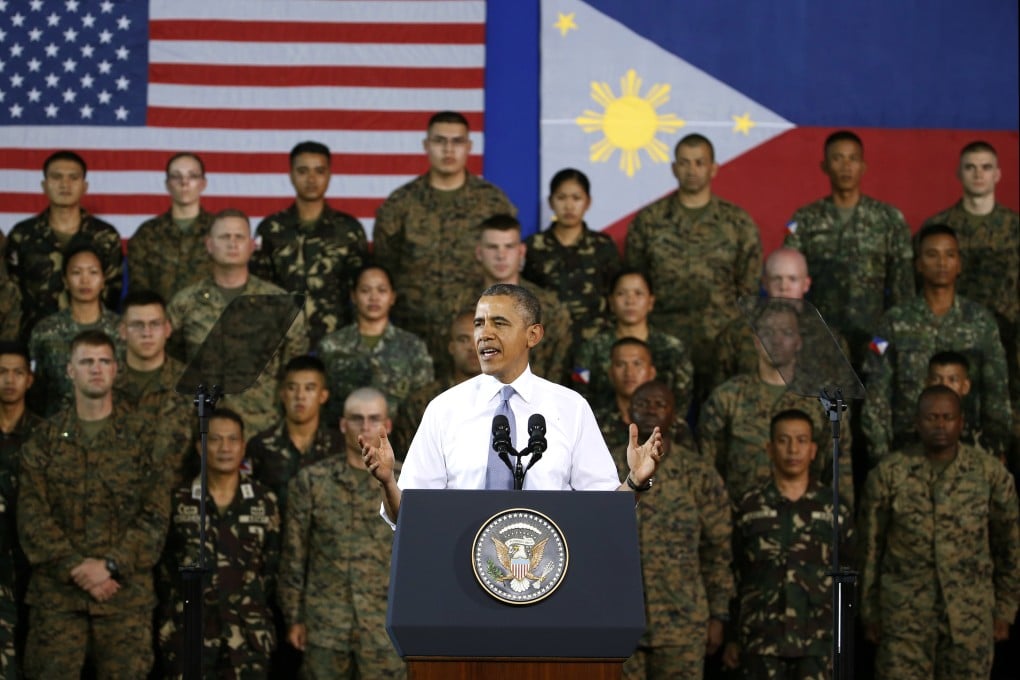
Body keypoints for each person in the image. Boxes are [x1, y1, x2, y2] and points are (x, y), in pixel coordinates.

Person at [363, 283, 664, 526]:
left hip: (547, 578)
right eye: (479, 324)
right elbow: (409, 516)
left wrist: (635, 482)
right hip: (460, 577)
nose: (484, 334)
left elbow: (604, 511)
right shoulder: (444, 409)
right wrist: (388, 481)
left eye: (500, 323)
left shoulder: (571, 408)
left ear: (533, 335)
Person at [17, 330, 170, 678]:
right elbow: (31, 516)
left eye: (104, 361)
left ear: (116, 370)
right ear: (70, 370)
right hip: (57, 601)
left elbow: (155, 517)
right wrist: (76, 567)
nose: (96, 369)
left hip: (124, 601)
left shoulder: (144, 439)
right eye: (87, 362)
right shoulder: (43, 439)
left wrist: (112, 565)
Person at [860, 385, 1019, 680]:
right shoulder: (889, 474)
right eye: (932, 418)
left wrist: (1005, 610)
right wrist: (869, 612)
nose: (940, 425)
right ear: (917, 423)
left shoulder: (989, 474)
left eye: (948, 417)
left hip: (968, 618)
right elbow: (870, 547)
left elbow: (1009, 545)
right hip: (904, 620)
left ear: (961, 422)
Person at [280, 388, 405, 679]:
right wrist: (294, 618)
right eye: (356, 418)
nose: (365, 426)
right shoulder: (312, 481)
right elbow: (294, 556)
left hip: (384, 625)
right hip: (326, 624)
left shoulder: (407, 480)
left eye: (374, 419)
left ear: (387, 425)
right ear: (342, 424)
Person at [374, 110, 517, 363]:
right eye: (440, 141)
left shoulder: (493, 203)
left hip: (475, 338)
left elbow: (507, 268)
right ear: (426, 146)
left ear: (469, 147)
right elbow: (384, 268)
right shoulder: (400, 204)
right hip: (413, 339)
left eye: (457, 141)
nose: (448, 150)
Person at [613, 380, 732, 680]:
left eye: (660, 404)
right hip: (618, 623)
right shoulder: (606, 465)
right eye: (643, 404)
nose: (651, 410)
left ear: (674, 414)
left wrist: (718, 614)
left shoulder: (699, 473)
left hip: (683, 624)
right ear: (629, 411)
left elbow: (717, 549)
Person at [625, 133, 762, 394]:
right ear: (674, 168)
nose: (692, 170)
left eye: (700, 163)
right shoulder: (649, 221)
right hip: (664, 342)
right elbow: (637, 283)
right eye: (685, 162)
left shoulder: (738, 223)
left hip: (721, 341)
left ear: (713, 168)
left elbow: (749, 289)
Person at [722, 409, 855, 678]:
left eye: (801, 440)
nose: (793, 449)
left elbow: (850, 576)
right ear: (770, 448)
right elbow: (733, 573)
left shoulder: (834, 507)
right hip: (761, 641)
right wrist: (732, 636)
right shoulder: (749, 506)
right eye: (783, 440)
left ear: (814, 449)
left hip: (818, 643)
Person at [862, 224, 1010, 465]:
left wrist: (995, 450)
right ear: (919, 264)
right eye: (932, 255)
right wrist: (883, 459)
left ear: (959, 264)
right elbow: (876, 397)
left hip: (969, 455)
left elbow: (997, 394)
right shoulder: (893, 322)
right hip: (906, 454)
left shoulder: (981, 322)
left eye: (949, 255)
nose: (942, 262)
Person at [158, 407, 281, 679]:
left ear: (243, 446)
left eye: (232, 439)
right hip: (189, 634)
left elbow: (272, 567)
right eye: (214, 439)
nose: (224, 447)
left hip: (247, 636)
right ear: (200, 447)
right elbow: (163, 565)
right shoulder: (178, 500)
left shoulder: (264, 501)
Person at [923, 140, 1020, 477]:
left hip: (1008, 351)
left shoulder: (1015, 228)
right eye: (971, 167)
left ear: (998, 175)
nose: (978, 174)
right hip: (952, 343)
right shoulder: (940, 227)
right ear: (958, 173)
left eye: (986, 167)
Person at [167, 209, 309, 436]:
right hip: (200, 430)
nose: (232, 244)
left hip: (262, 430)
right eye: (224, 237)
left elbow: (293, 370)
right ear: (209, 244)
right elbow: (172, 363)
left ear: (252, 245)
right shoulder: (184, 303)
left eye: (239, 237)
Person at [699, 302, 854, 507]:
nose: (776, 341)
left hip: (809, 523)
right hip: (743, 520)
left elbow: (839, 470)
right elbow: (708, 471)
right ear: (755, 341)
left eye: (786, 333)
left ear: (798, 342)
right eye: (768, 332)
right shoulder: (727, 398)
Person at [784, 130, 913, 368]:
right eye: (837, 158)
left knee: (872, 403)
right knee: (832, 405)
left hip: (875, 339)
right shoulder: (805, 220)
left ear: (863, 167)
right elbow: (790, 283)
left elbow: (902, 286)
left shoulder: (888, 219)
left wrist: (900, 335)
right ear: (824, 166)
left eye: (852, 159)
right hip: (823, 340)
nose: (845, 166)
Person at [251, 141, 368, 347]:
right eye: (303, 171)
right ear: (291, 174)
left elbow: (361, 292)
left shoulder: (349, 230)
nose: (311, 179)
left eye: (319, 171)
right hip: (283, 344)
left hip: (338, 344)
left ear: (329, 174)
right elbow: (258, 292)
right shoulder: (270, 229)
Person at [4, 150, 122, 340]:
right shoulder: (22, 234)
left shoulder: (105, 236)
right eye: (56, 177)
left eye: (73, 178)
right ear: (44, 185)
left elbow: (112, 293)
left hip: (92, 343)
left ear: (84, 186)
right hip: (36, 342)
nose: (64, 185)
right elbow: (12, 295)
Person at [448, 214, 573, 383]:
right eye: (493, 247)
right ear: (479, 252)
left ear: (521, 251)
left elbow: (558, 368)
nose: (501, 255)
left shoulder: (549, 307)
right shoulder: (456, 304)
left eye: (509, 246)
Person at [712, 247, 852, 390]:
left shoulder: (828, 338)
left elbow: (840, 402)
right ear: (764, 284)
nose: (784, 287)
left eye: (792, 279)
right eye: (776, 279)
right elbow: (717, 393)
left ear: (806, 285)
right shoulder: (737, 334)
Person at [316, 264, 434, 427]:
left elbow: (424, 401)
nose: (373, 297)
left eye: (382, 290)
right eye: (365, 291)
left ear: (392, 297)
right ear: (353, 296)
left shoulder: (412, 347)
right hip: (343, 441)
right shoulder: (331, 346)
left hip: (400, 443)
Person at [523, 168, 621, 348]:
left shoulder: (603, 246)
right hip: (547, 344)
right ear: (551, 202)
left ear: (588, 202)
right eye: (561, 198)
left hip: (595, 344)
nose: (569, 206)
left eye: (576, 198)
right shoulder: (532, 247)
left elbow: (616, 295)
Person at [573, 268, 693, 415]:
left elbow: (682, 400)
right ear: (611, 302)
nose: (630, 301)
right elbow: (579, 395)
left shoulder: (673, 349)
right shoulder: (591, 349)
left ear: (651, 301)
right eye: (621, 294)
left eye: (638, 293)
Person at [27, 243, 121, 416]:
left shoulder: (123, 330)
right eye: (76, 273)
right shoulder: (45, 331)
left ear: (103, 280)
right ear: (65, 281)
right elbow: (34, 393)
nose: (85, 280)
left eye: (93, 272)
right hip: (56, 433)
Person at [245, 354, 344, 517]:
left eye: (309, 388)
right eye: (292, 388)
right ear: (283, 394)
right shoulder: (260, 446)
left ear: (323, 396)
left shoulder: (339, 446)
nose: (300, 396)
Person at [114, 289, 193, 485]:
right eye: (137, 325)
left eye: (154, 324)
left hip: (177, 500)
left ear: (167, 329)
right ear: (122, 331)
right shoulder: (102, 382)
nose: (146, 333)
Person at [0, 342, 42, 678]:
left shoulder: (46, 436)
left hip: (36, 572)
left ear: (30, 380)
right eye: (1, 372)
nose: (9, 380)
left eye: (17, 373)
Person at [391, 307, 481, 455]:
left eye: (480, 339)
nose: (472, 347)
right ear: (451, 347)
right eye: (463, 340)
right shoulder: (422, 403)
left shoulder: (509, 398)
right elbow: (406, 463)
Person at [128, 152, 215, 302]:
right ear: (167, 184)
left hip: (211, 321)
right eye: (176, 176)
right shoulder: (147, 233)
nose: (184, 182)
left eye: (192, 176)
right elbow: (138, 289)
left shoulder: (220, 230)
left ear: (203, 184)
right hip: (159, 322)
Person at [593, 337, 657, 451]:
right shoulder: (592, 421)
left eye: (637, 364)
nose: (629, 372)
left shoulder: (669, 424)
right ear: (611, 373)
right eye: (620, 364)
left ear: (652, 372)